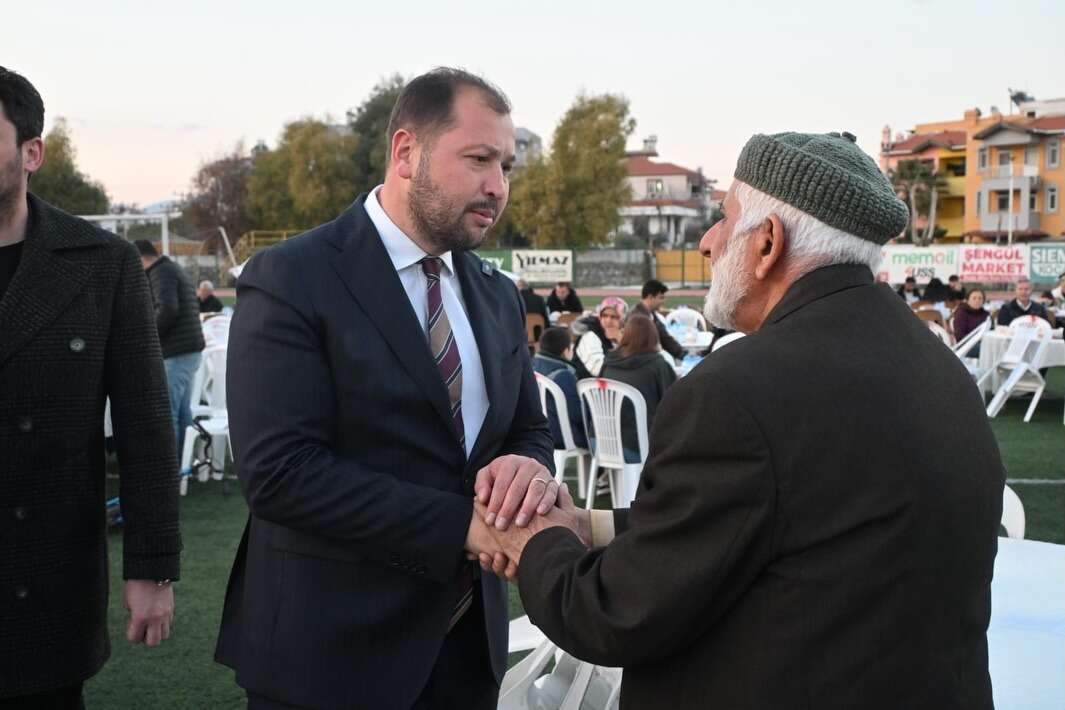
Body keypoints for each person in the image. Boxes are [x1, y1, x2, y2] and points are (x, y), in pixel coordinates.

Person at [475, 131, 1002, 709]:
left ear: (768, 243)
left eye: (723, 219)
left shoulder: (735, 392)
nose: (706, 241)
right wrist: (587, 525)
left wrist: (536, 539)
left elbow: (615, 613)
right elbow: (771, 520)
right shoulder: (937, 365)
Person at [215, 68, 557, 710]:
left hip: (465, 653)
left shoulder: (496, 292)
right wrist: (465, 526)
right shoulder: (290, 277)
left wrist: (527, 467)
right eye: (479, 159)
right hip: (330, 655)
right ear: (406, 152)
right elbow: (280, 474)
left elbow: (528, 430)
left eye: (507, 165)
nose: (498, 186)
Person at [0, 66, 180, 709]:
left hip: (47, 580)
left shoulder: (101, 264)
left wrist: (151, 566)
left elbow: (146, 427)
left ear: (31, 152)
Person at [134, 240, 206, 454]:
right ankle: (184, 465)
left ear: (140, 258)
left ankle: (171, 468)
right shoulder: (170, 268)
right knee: (183, 412)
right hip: (188, 350)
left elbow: (167, 310)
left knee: (169, 412)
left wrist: (145, 335)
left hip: (178, 352)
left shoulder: (161, 272)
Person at [600, 314, 677, 462]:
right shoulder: (658, 365)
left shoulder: (608, 362)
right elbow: (674, 406)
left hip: (601, 442)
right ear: (653, 336)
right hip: (638, 446)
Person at [532, 327, 587, 450]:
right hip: (562, 435)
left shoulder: (533, 366)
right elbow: (578, 414)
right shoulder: (563, 375)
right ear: (565, 351)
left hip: (539, 432)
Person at [629, 278, 686, 360]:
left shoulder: (651, 314)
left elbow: (665, 338)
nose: (663, 301)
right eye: (661, 298)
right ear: (650, 297)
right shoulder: (636, 318)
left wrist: (684, 355)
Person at [572, 296, 625, 377]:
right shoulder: (590, 335)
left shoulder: (620, 334)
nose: (608, 321)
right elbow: (598, 369)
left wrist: (621, 340)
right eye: (604, 315)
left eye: (614, 317)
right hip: (588, 385)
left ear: (621, 320)